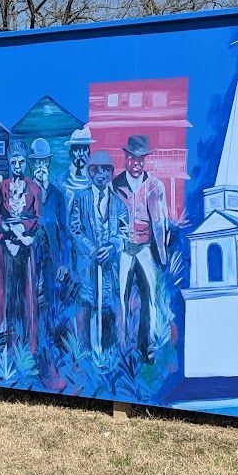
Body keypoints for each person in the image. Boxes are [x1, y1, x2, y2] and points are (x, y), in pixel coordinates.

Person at [112, 135, 168, 361]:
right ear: (125, 158)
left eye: (141, 159)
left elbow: (160, 222)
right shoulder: (115, 185)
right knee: (121, 297)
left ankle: (149, 346)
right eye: (132, 159)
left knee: (150, 298)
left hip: (144, 247)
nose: (136, 164)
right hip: (124, 248)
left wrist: (162, 255)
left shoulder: (155, 185)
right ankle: (122, 346)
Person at [70, 150, 127, 353]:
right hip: (87, 266)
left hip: (109, 267)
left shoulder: (119, 204)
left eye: (106, 170)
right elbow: (75, 229)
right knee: (86, 304)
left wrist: (111, 247)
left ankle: (108, 351)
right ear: (90, 173)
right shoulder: (80, 198)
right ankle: (85, 351)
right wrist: (92, 250)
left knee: (108, 306)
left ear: (112, 173)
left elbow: (123, 232)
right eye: (97, 170)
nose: (101, 174)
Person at [0, 140, 42, 350]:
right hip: (6, 246)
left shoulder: (34, 188)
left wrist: (23, 229)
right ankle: (5, 338)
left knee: (25, 294)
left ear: (26, 162)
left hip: (25, 246)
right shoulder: (2, 187)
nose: (18, 166)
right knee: (6, 292)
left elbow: (38, 218)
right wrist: (6, 227)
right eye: (14, 162)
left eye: (21, 161)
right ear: (9, 164)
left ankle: (26, 341)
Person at [28, 138, 71, 338]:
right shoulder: (24, 192)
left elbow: (64, 231)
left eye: (44, 162)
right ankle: (30, 338)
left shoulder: (57, 194)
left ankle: (50, 338)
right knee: (30, 295)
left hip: (52, 254)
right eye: (37, 162)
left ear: (49, 163)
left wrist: (64, 261)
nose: (40, 166)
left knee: (50, 295)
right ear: (31, 164)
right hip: (29, 252)